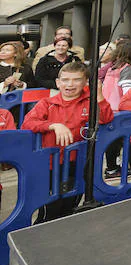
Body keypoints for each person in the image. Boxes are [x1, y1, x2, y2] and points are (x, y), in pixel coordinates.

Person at [22, 61, 114, 222]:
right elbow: (27, 124)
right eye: (65, 80)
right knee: (49, 210)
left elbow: (106, 118)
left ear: (86, 82)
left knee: (70, 206)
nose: (70, 84)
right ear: (58, 82)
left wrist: (99, 95)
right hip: (49, 165)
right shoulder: (47, 103)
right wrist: (52, 125)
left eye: (76, 80)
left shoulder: (89, 102)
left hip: (76, 165)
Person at [101, 40, 131, 179]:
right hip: (120, 110)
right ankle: (114, 169)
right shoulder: (126, 68)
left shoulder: (112, 67)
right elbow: (127, 91)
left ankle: (111, 168)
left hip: (108, 108)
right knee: (120, 141)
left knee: (113, 142)